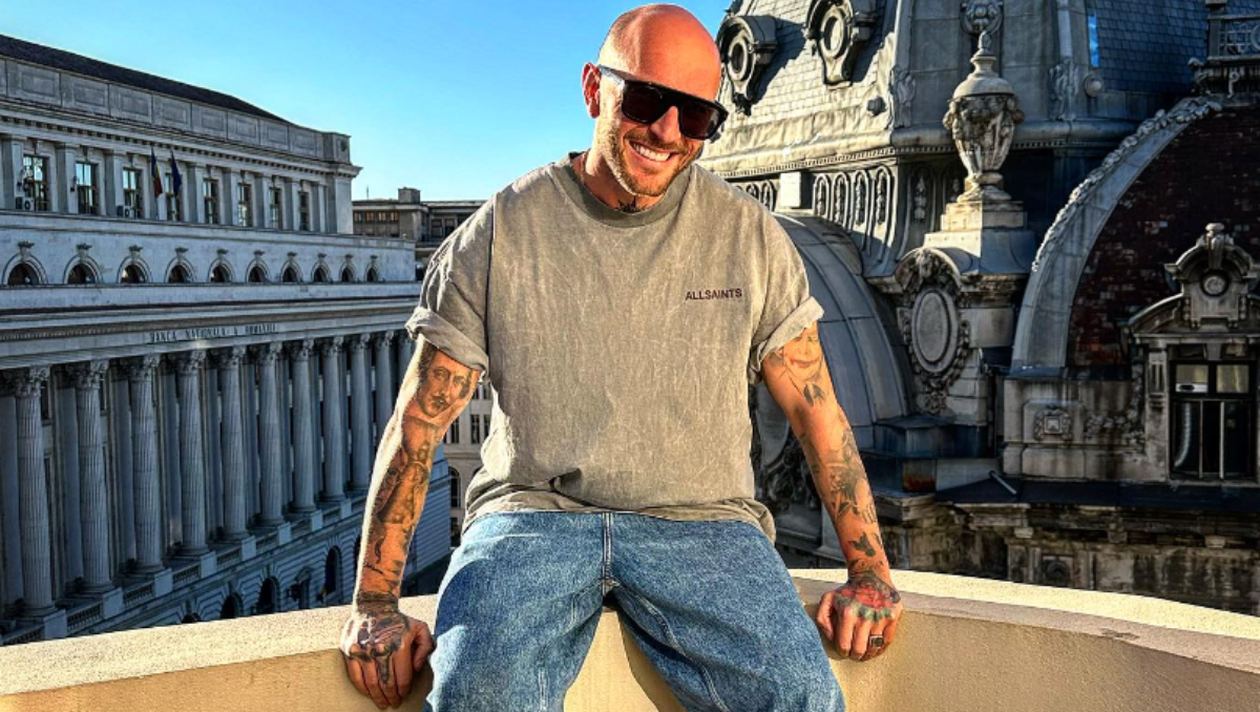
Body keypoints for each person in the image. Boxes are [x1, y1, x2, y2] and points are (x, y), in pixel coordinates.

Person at [339, 4, 903, 710]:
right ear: (593, 90)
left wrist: (870, 573)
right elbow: (420, 422)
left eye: (695, 116)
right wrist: (376, 603)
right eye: (645, 99)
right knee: (475, 694)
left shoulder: (750, 238)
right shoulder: (501, 233)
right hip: (532, 517)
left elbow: (817, 412)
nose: (667, 130)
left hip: (704, 522)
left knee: (802, 698)